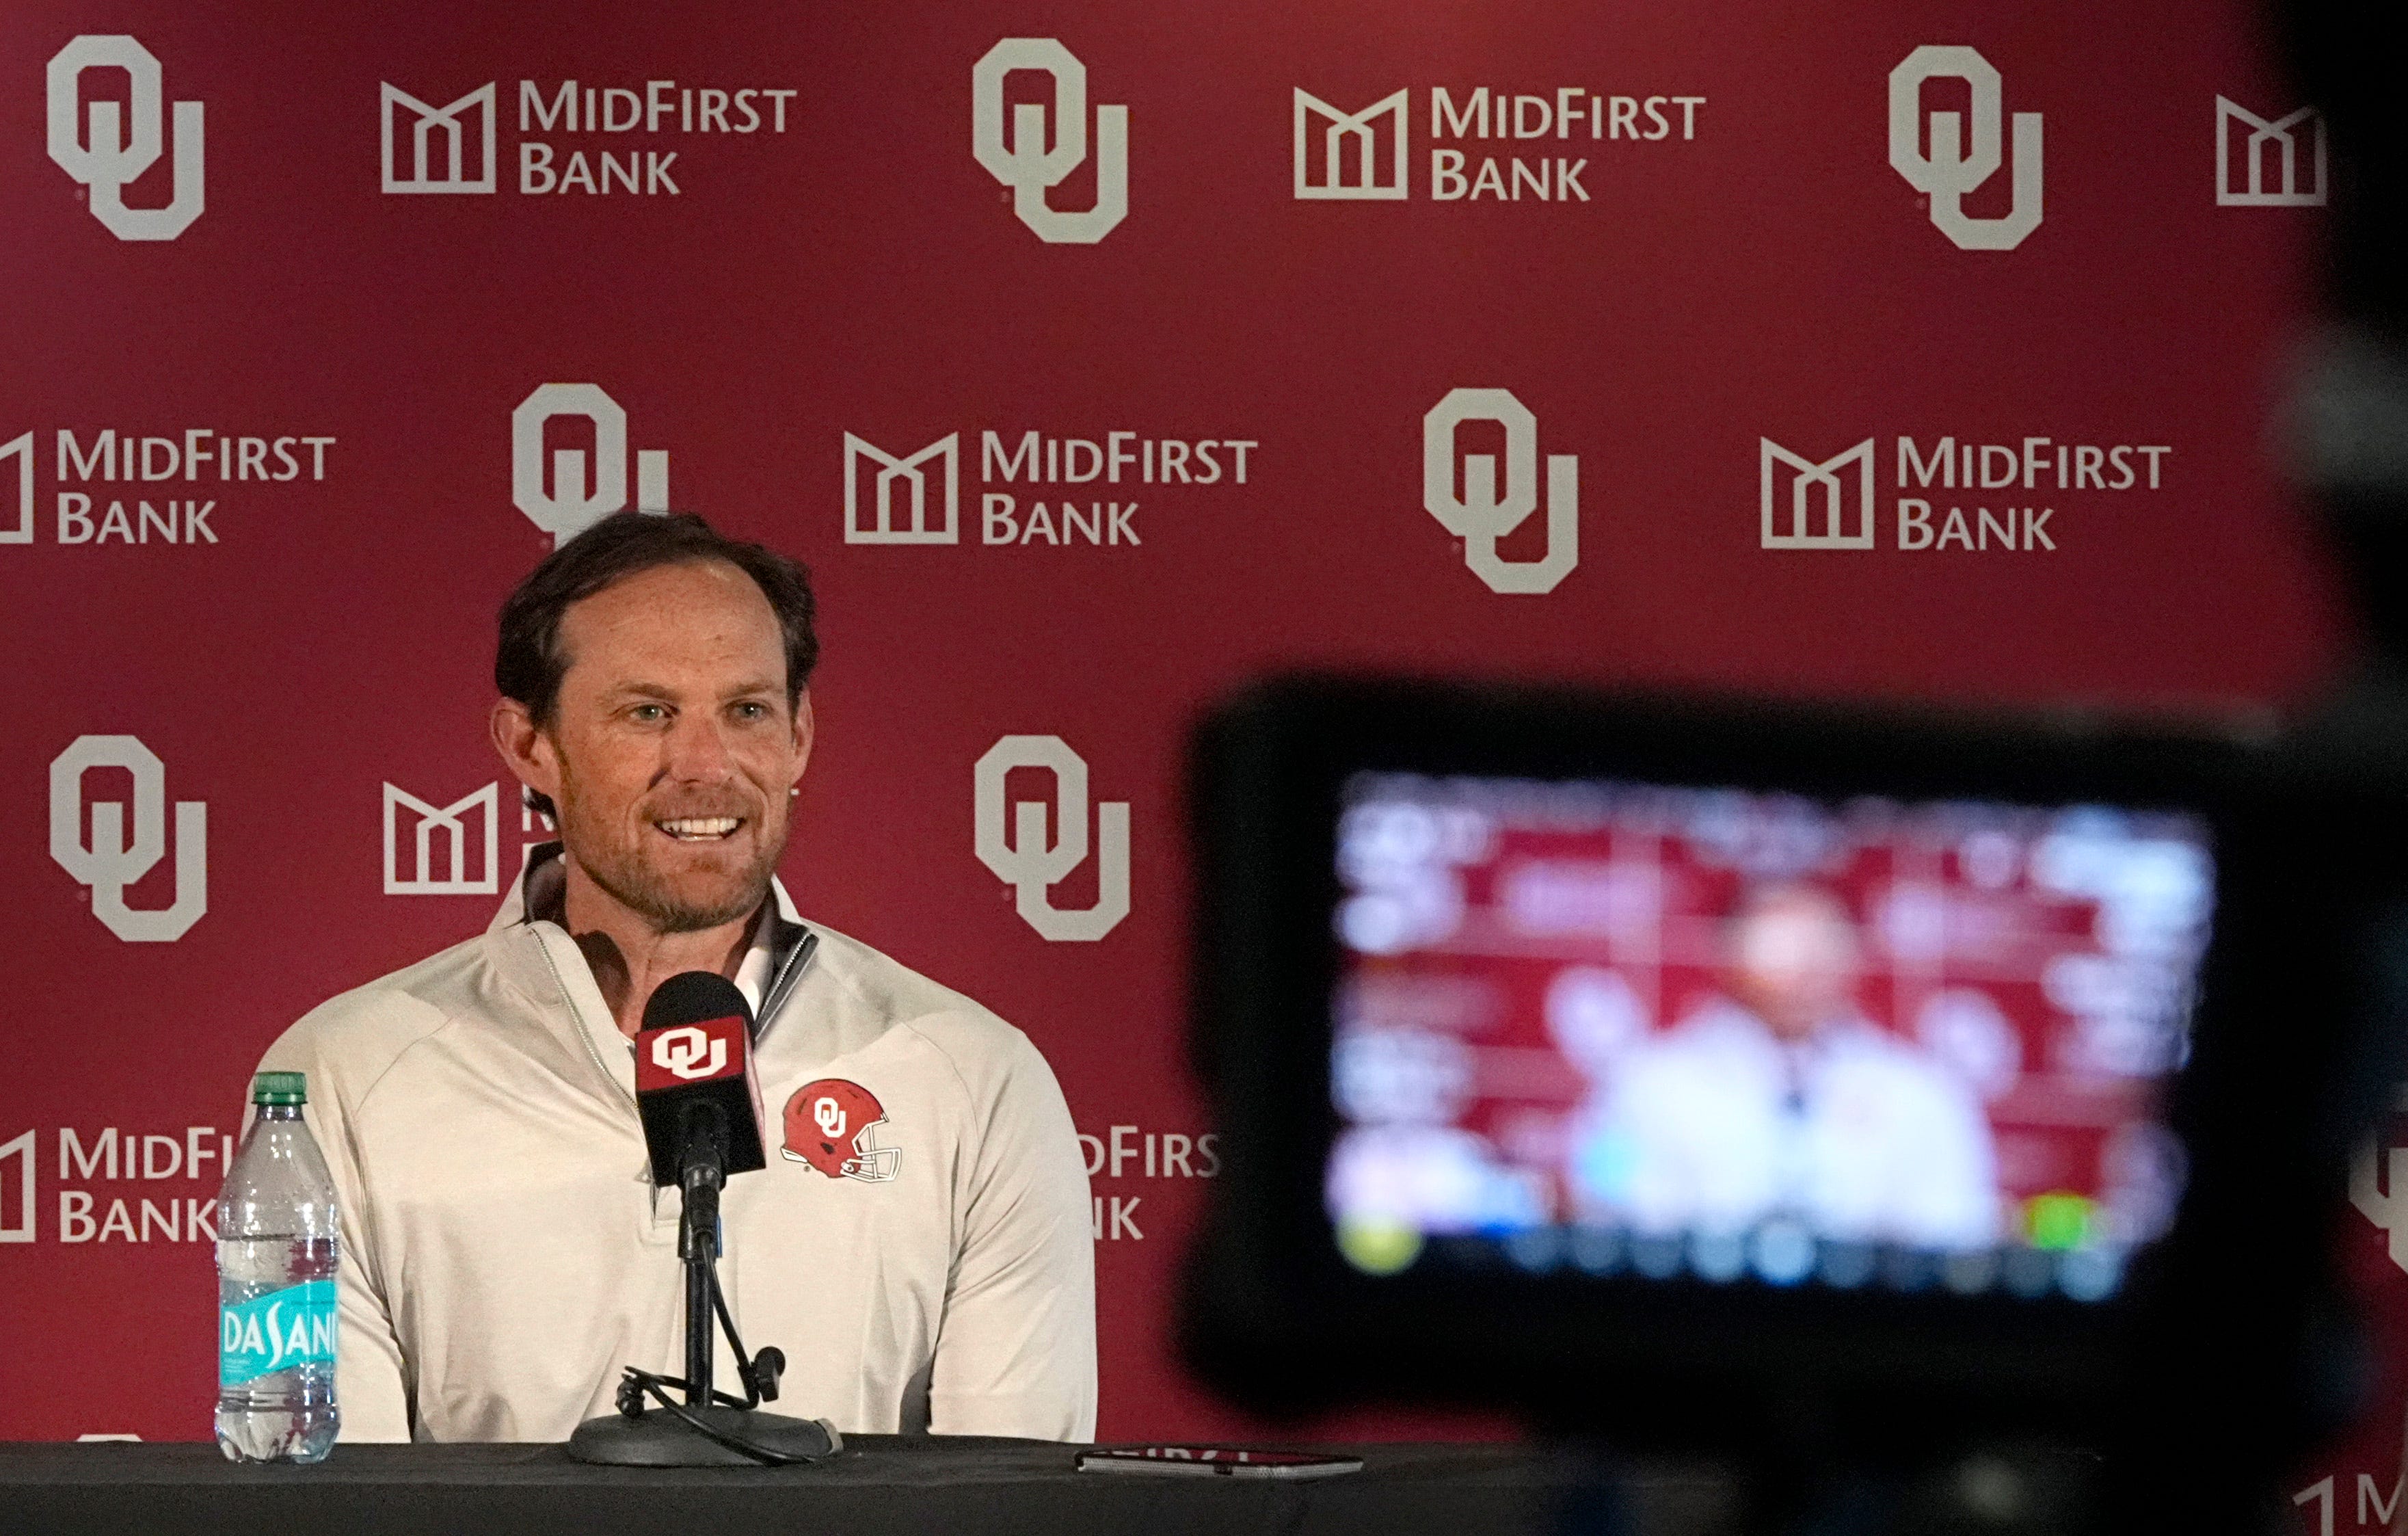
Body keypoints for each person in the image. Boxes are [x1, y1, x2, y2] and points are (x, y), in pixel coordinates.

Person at [256, 511, 1095, 1442]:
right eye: (647, 712)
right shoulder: (345, 1077)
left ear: (799, 734)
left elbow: (1014, 1502)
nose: (705, 766)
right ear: (529, 744)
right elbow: (332, 1501)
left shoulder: (972, 1077)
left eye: (745, 710)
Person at [1580, 883, 1998, 1251]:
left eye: (1822, 945)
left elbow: (1958, 1227)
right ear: (1727, 953)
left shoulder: (1925, 1092)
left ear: (1855, 955)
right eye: (1778, 946)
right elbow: (1610, 1209)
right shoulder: (1645, 1082)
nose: (1802, 968)